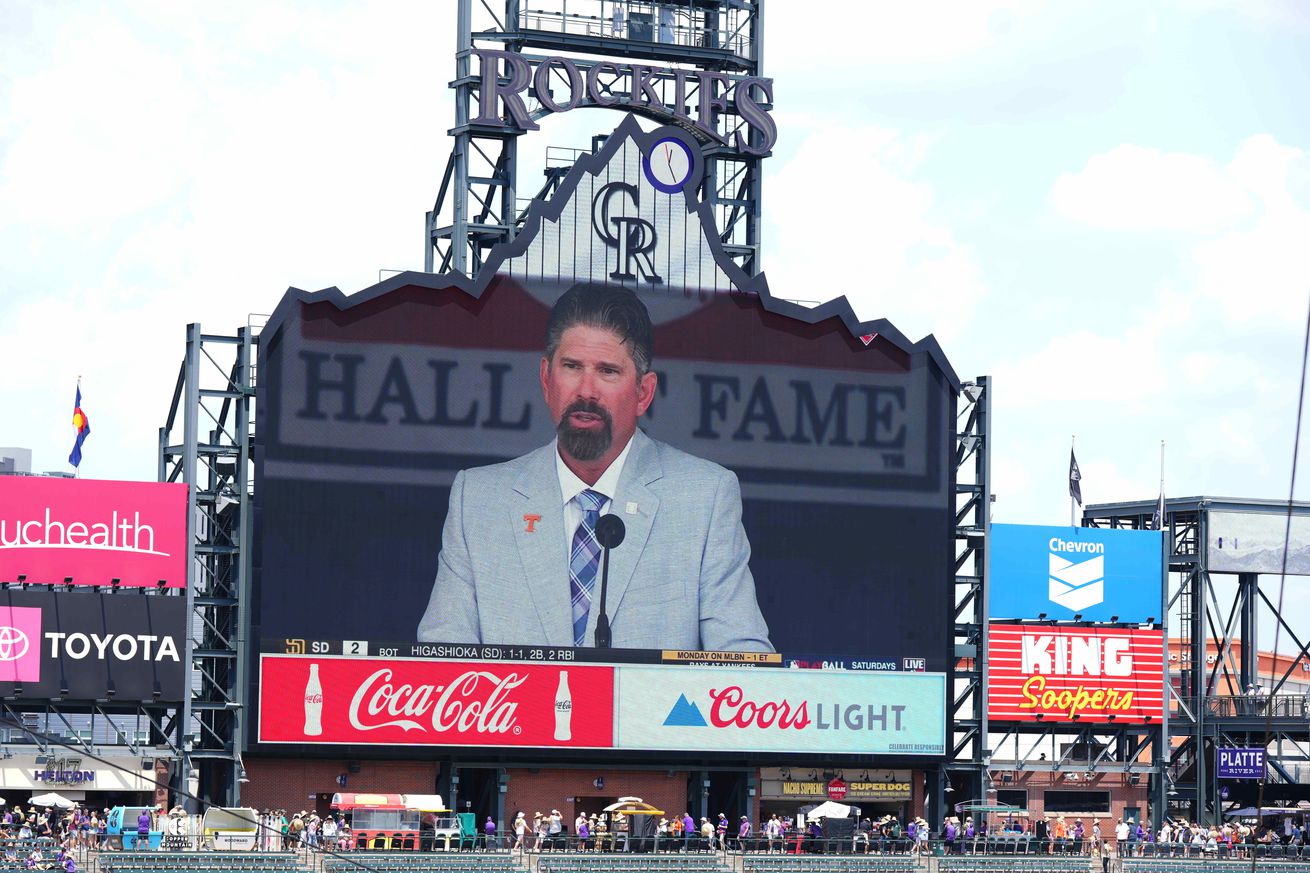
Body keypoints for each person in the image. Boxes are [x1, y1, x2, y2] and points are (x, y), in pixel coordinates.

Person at [417, 283, 772, 652]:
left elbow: (743, 664)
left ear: (644, 393)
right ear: (545, 379)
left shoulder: (704, 498)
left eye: (608, 371)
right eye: (571, 367)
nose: (586, 390)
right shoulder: (477, 501)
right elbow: (441, 659)